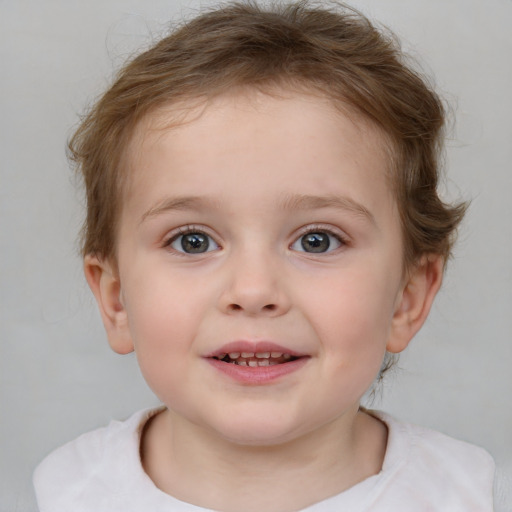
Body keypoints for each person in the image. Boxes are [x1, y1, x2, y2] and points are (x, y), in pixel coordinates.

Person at [33, 2, 495, 510]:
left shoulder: (466, 495)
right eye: (193, 241)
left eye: (317, 240)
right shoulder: (69, 493)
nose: (253, 291)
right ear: (116, 299)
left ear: (408, 297)